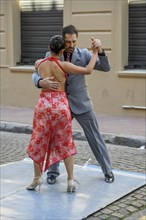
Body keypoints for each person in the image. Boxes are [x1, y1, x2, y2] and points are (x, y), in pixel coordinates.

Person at [32, 24, 115, 185]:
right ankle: (52, 172)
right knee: (55, 139)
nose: (71, 45)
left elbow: (105, 68)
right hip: (59, 106)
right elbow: (35, 73)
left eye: (73, 41)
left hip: (82, 104)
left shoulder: (84, 54)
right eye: (68, 42)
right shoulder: (51, 55)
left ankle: (107, 170)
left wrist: (100, 50)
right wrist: (40, 82)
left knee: (95, 138)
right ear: (62, 40)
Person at [26, 35, 98, 192]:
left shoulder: (39, 63)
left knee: (38, 141)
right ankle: (71, 180)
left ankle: (37, 178)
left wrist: (40, 82)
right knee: (65, 142)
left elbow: (35, 72)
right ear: (63, 50)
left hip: (43, 105)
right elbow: (88, 70)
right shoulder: (64, 65)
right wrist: (94, 53)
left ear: (49, 47)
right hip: (60, 105)